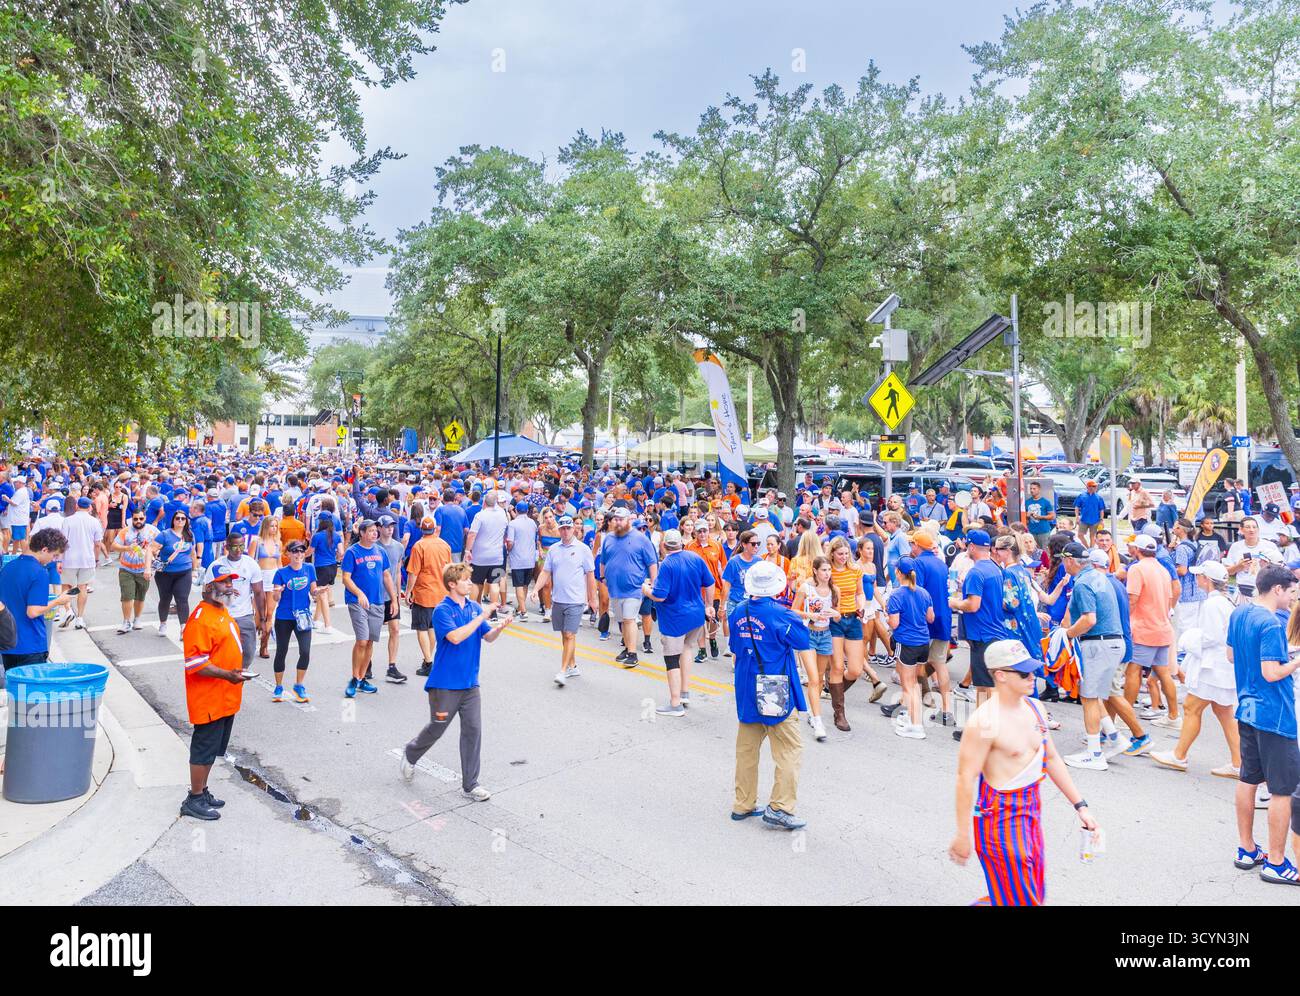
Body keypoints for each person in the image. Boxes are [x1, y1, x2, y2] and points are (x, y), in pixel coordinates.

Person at [949, 639, 1099, 906]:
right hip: (999, 822)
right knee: (1023, 900)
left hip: (1031, 813)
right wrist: (963, 835)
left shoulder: (1035, 708)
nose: (1033, 677)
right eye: (1024, 673)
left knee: (1030, 894)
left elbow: (1051, 758)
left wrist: (1081, 806)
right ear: (1000, 676)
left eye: (1032, 669)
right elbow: (965, 779)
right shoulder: (984, 721)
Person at [399, 562, 513, 801]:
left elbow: (487, 637)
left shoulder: (472, 607)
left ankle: (470, 785)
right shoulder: (442, 610)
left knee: (473, 730)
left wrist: (499, 628)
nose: (470, 583)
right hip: (445, 685)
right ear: (452, 584)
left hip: (470, 684)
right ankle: (411, 753)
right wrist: (482, 615)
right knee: (437, 728)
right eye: (465, 580)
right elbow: (456, 637)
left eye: (470, 580)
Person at [1228, 565, 1300, 885]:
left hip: (1246, 707)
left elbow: (1231, 655)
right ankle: (1276, 861)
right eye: (1291, 592)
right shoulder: (1271, 623)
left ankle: (1247, 849)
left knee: (1249, 779)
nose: (1292, 598)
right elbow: (1272, 672)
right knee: (1281, 791)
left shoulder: (1240, 613)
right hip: (1274, 714)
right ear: (1277, 590)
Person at [728, 560, 813, 831]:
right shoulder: (781, 614)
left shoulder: (738, 610)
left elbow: (734, 646)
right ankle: (780, 806)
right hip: (774, 686)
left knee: (747, 748)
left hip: (745, 685)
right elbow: (802, 641)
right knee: (789, 748)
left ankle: (743, 802)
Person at [1059, 542, 1146, 770]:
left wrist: (1066, 635)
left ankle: (1094, 753)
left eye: (1063, 560)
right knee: (1096, 695)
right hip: (1113, 642)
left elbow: (1089, 619)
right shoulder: (1102, 578)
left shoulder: (1083, 583)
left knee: (1088, 697)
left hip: (1099, 643)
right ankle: (1115, 738)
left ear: (1069, 561)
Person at [1151, 561, 1241, 776]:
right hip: (1220, 667)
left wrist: (1189, 640)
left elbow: (1211, 637)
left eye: (1200, 575)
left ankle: (1179, 755)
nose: (1197, 578)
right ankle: (1239, 763)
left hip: (1212, 667)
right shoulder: (1224, 602)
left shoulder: (1213, 604)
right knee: (1223, 711)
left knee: (1192, 707)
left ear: (1207, 580)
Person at [180, 570, 253, 820]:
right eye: (223, 582)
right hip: (209, 697)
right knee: (203, 748)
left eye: (231, 583)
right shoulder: (200, 618)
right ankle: (194, 799)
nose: (229, 587)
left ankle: (203, 790)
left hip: (225, 696)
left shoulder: (221, 611)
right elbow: (195, 663)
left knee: (212, 749)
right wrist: (228, 675)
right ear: (208, 586)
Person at [643, 528, 715, 714]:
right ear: (681, 544)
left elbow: (659, 596)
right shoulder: (694, 557)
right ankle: (684, 693)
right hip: (696, 615)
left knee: (672, 658)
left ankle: (675, 704)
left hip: (675, 618)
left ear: (664, 546)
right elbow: (710, 582)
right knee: (687, 649)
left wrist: (646, 590)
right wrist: (709, 604)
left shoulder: (667, 564)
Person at [949, 529, 1012, 738]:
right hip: (994, 630)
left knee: (984, 686)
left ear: (972, 547)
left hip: (982, 634)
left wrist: (954, 603)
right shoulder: (996, 568)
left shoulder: (976, 572)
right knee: (989, 684)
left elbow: (973, 605)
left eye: (968, 545)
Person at [1125, 534, 1180, 729]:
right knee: (1163, 673)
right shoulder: (1162, 570)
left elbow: (1132, 599)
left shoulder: (1137, 569)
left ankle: (1126, 715)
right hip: (1162, 627)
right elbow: (1170, 597)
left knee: (1133, 671)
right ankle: (1174, 716)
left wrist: (1125, 622)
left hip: (1143, 628)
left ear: (1137, 550)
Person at [0, 528, 72, 671]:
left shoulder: (8, 567)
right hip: (31, 644)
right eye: (54, 555)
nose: (53, 560)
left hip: (8, 643)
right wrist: (59, 600)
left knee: (16, 690)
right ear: (45, 549)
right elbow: (33, 612)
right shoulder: (39, 572)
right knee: (32, 691)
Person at [536, 514, 596, 686]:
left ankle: (562, 671)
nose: (565, 531)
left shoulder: (583, 549)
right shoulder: (554, 549)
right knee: (565, 634)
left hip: (576, 600)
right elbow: (545, 572)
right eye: (562, 528)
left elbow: (590, 575)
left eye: (568, 528)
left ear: (574, 529)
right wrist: (536, 589)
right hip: (558, 599)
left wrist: (592, 599)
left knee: (570, 634)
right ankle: (572, 665)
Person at [340, 519, 397, 697]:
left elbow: (387, 576)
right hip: (357, 602)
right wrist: (359, 593)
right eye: (371, 531)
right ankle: (354, 678)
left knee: (371, 641)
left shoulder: (380, 551)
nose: (375, 533)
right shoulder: (352, 552)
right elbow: (346, 578)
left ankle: (362, 678)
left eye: (375, 531)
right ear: (362, 533)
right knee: (362, 640)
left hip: (378, 601)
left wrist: (394, 600)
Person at [884, 556, 935, 740]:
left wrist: (887, 615)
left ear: (898, 573)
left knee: (909, 685)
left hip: (907, 642)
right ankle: (912, 717)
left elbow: (894, 623)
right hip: (923, 642)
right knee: (914, 682)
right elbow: (931, 618)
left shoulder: (896, 595)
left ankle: (916, 725)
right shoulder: (923, 592)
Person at [602, 506, 658, 670]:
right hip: (614, 588)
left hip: (633, 587)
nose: (618, 522)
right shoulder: (609, 538)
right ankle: (627, 648)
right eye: (616, 519)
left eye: (621, 519)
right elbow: (603, 561)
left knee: (629, 619)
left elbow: (652, 562)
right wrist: (604, 577)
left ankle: (633, 654)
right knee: (621, 621)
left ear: (628, 521)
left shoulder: (641, 539)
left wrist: (654, 582)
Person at [201, 534, 265, 675]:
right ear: (227, 547)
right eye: (235, 546)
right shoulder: (216, 566)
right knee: (221, 654)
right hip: (221, 615)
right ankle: (227, 679)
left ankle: (237, 677)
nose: (238, 549)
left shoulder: (251, 564)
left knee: (248, 653)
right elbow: (205, 594)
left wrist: (262, 619)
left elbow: (259, 593)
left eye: (242, 546)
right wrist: (223, 593)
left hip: (244, 616)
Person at [791, 555, 838, 742]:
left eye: (829, 570)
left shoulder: (835, 590)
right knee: (812, 678)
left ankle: (812, 711)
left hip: (825, 635)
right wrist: (810, 614)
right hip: (808, 634)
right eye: (824, 570)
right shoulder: (806, 588)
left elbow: (838, 616)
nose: (827, 573)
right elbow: (793, 610)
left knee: (818, 679)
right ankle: (818, 721)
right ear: (816, 571)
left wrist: (836, 613)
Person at [268, 540, 316, 703]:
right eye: (295, 551)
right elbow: (275, 597)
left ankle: (299, 685)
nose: (298, 554)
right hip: (284, 617)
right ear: (287, 554)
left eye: (302, 551)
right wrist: (278, 592)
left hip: (302, 616)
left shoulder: (309, 568)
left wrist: (318, 592)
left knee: (305, 651)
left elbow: (313, 589)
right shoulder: (281, 573)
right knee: (282, 651)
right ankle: (279, 686)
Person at [406, 515, 452, 677]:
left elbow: (413, 572)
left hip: (424, 592)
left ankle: (428, 661)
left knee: (421, 628)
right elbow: (449, 570)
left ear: (421, 530)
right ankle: (428, 659)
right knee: (432, 627)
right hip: (441, 592)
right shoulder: (444, 545)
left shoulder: (419, 546)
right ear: (435, 529)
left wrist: (409, 591)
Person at [58, 496, 105, 629]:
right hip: (87, 558)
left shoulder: (67, 520)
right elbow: (97, 544)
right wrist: (96, 559)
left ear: (77, 506)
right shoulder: (95, 522)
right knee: (82, 587)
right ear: (90, 507)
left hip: (69, 558)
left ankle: (68, 611)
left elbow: (63, 542)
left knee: (66, 586)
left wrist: (59, 560)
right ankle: (79, 617)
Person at [112, 509, 157, 633]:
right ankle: (126, 622)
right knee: (127, 596)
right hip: (126, 569)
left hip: (144, 569)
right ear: (132, 519)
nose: (138, 521)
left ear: (145, 518)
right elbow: (114, 546)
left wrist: (156, 552)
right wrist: (127, 548)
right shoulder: (125, 531)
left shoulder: (152, 531)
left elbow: (161, 544)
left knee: (140, 596)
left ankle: (137, 619)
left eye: (141, 519)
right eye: (135, 519)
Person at [152, 508, 195, 637]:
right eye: (178, 518)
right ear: (173, 520)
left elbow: (192, 553)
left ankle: (183, 628)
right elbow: (151, 549)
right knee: (165, 599)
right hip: (165, 572)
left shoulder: (189, 534)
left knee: (182, 599)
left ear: (186, 521)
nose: (180, 520)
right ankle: (163, 623)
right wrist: (152, 558)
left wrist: (196, 569)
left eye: (183, 518)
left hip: (184, 572)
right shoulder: (164, 535)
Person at [376, 515, 408, 683]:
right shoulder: (373, 547)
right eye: (387, 526)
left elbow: (396, 571)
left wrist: (397, 593)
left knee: (395, 629)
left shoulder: (398, 547)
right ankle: (366, 664)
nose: (390, 529)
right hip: (375, 596)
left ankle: (392, 666)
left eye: (392, 526)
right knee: (370, 633)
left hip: (391, 596)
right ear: (379, 528)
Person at [465, 491, 509, 607]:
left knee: (476, 583)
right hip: (497, 556)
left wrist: (467, 550)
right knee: (495, 583)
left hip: (480, 557)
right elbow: (505, 533)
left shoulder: (480, 515)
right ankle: (492, 611)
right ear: (495, 503)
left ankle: (474, 609)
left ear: (484, 502)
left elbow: (472, 534)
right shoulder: (502, 515)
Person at [309, 510, 342, 631]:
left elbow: (310, 551)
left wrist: (302, 556)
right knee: (323, 592)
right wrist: (336, 558)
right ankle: (316, 620)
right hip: (332, 566)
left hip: (320, 567)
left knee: (322, 595)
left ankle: (328, 625)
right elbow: (341, 552)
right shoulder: (336, 535)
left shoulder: (317, 536)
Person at [505, 502, 539, 620]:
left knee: (518, 585)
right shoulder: (532, 523)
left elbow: (510, 542)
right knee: (525, 584)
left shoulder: (513, 524)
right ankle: (521, 607)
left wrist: (508, 550)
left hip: (518, 558)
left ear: (517, 510)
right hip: (530, 558)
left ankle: (523, 610)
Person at [1075, 479, 1107, 546]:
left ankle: (1091, 549)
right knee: (1080, 535)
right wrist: (1077, 517)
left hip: (1095, 520)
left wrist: (1101, 520)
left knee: (1092, 536)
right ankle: (1087, 547)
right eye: (1091, 486)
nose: (1093, 488)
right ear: (1087, 487)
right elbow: (1077, 507)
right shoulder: (1082, 496)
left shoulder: (1099, 497)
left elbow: (1101, 510)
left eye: (1094, 486)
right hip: (1084, 519)